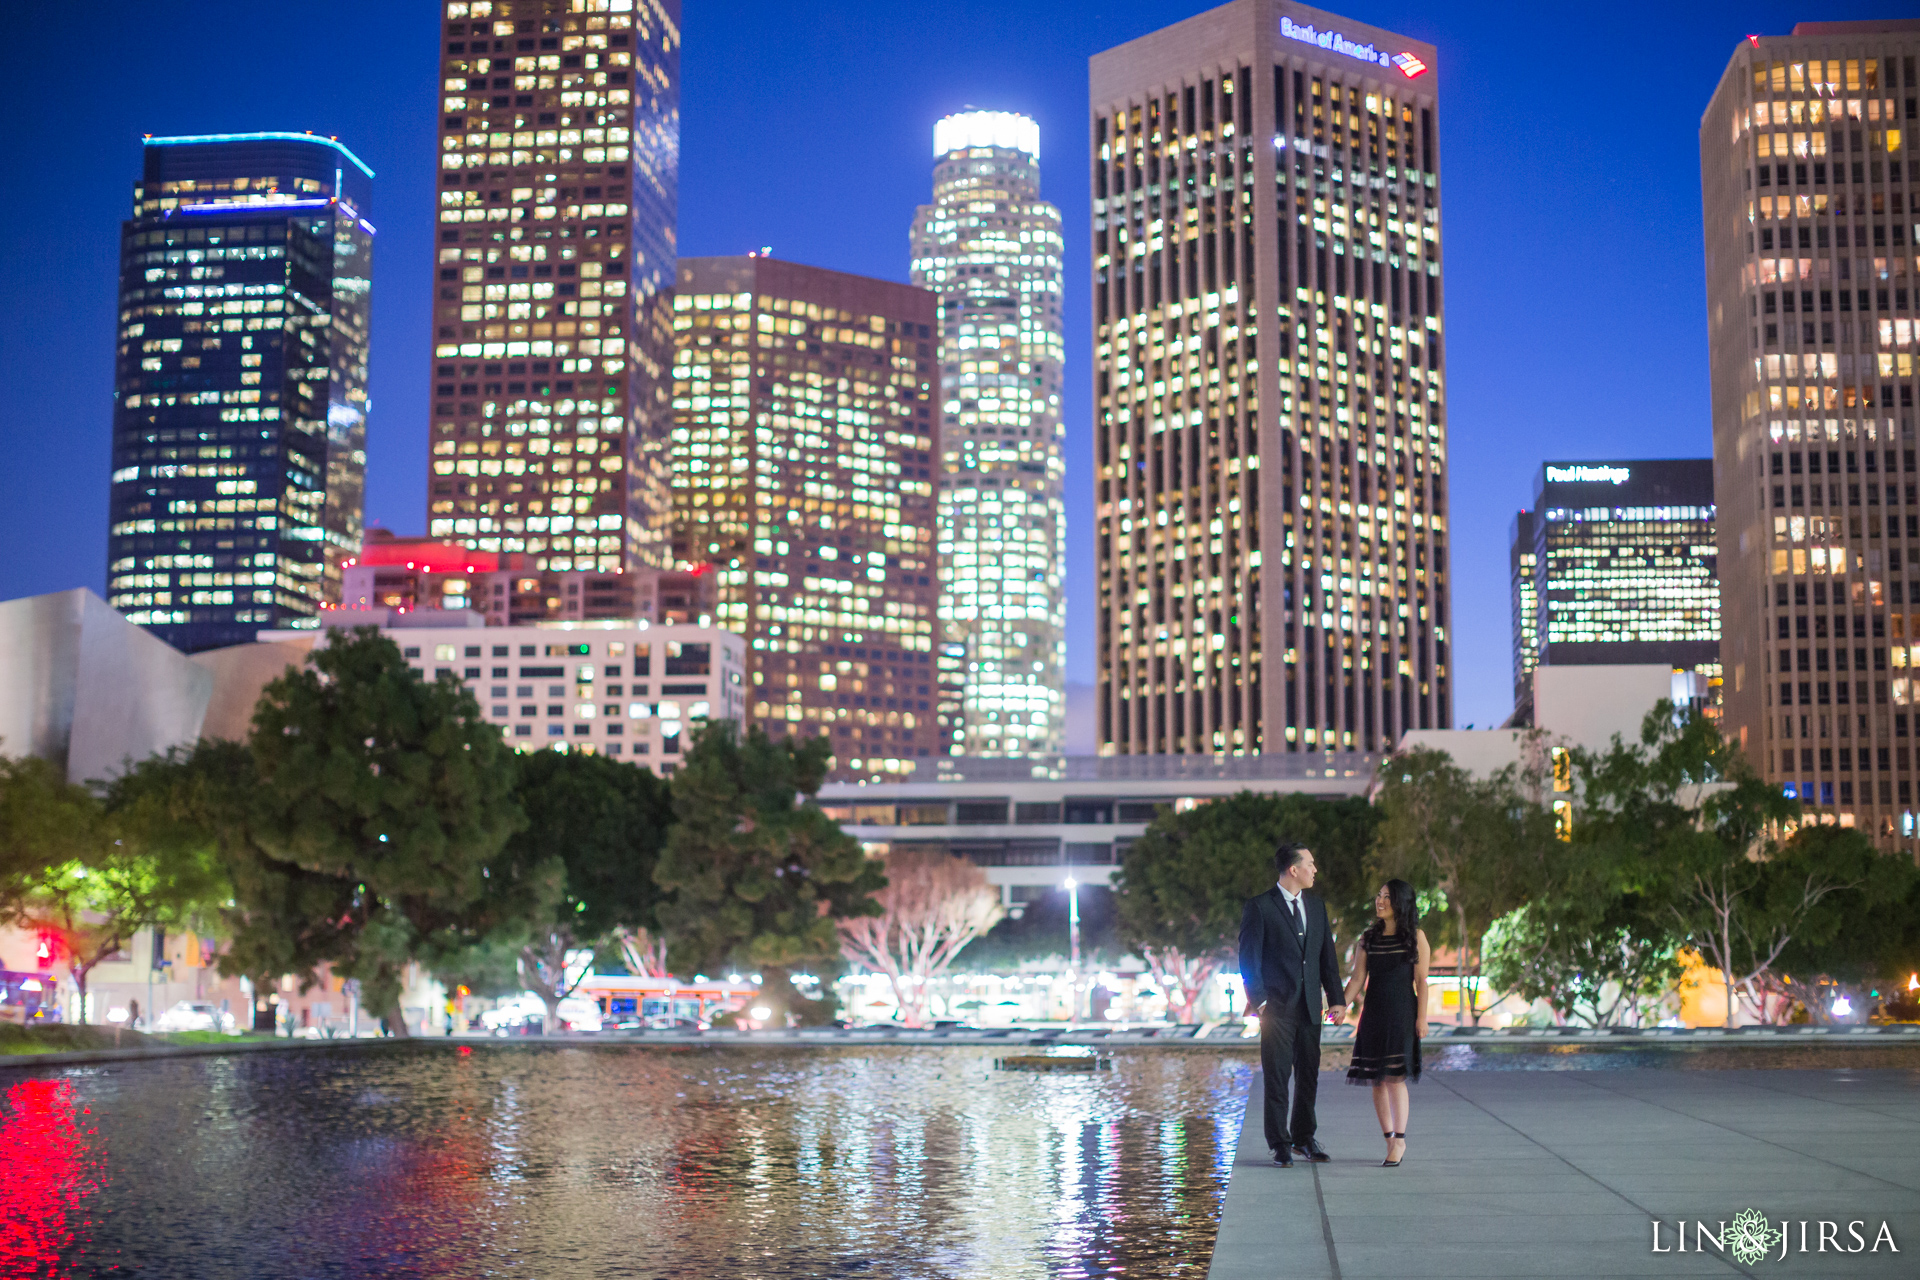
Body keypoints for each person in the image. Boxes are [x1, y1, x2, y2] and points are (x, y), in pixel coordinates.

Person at [1238, 843, 1346, 1167]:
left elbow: (1327, 957)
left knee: (1309, 1075)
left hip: (1312, 1006)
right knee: (1277, 1076)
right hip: (1277, 1009)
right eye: (1310, 864)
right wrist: (1260, 1003)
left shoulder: (1317, 906)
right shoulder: (1259, 907)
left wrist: (1337, 999)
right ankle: (1280, 1144)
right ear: (1293, 869)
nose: (1315, 870)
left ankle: (1304, 1138)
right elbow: (1248, 960)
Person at [1343, 879, 1430, 1167]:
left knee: (1394, 1078)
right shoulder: (1368, 939)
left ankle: (1401, 1140)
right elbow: (1357, 979)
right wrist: (1340, 1006)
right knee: (1376, 1080)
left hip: (1402, 1013)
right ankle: (1389, 1139)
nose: (1380, 901)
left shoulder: (1415, 937)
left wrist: (1421, 1018)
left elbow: (1421, 982)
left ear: (1400, 903)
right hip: (1374, 1014)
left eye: (1387, 897)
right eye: (1379, 896)